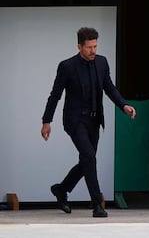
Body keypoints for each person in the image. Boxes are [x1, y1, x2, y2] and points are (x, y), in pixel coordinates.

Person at [41, 27, 136, 218]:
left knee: (87, 159)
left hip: (94, 120)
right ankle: (97, 205)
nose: (93, 51)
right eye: (89, 47)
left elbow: (109, 87)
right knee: (89, 157)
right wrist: (46, 121)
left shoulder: (101, 63)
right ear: (79, 46)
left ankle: (61, 189)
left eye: (95, 46)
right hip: (75, 120)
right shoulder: (67, 66)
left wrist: (123, 105)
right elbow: (55, 95)